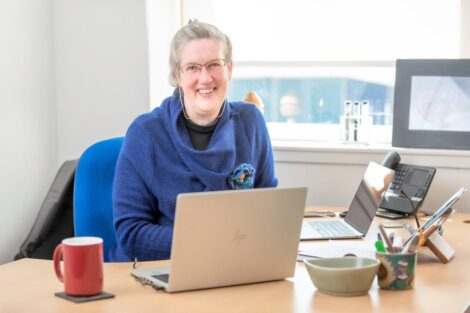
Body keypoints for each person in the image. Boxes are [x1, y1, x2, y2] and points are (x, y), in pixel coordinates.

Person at [109, 21, 278, 262]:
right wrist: (210, 242)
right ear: (177, 75)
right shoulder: (145, 134)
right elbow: (131, 234)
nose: (205, 78)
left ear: (229, 69)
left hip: (233, 265)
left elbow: (267, 209)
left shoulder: (251, 122)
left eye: (213, 65)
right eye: (192, 68)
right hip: (164, 267)